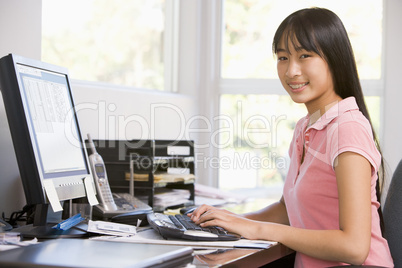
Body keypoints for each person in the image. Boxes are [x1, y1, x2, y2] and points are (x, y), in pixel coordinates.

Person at [189, 7, 394, 267]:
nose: (291, 71)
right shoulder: (306, 127)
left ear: (334, 58)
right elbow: (287, 211)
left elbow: (354, 248)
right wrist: (228, 221)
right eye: (283, 57)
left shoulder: (347, 129)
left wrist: (258, 230)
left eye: (304, 55)